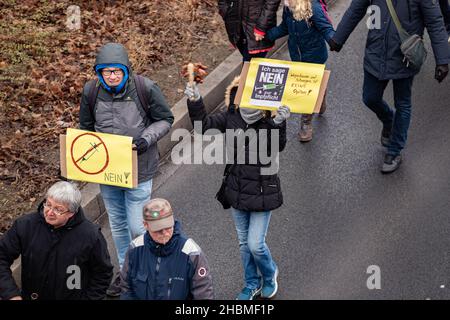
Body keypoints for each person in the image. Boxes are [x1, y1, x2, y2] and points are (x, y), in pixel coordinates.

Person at [79, 42, 174, 296]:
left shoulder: (145, 88)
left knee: (136, 225)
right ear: (99, 73)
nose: (112, 76)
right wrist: (79, 160)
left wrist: (146, 139)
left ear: (126, 71)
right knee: (118, 225)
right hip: (108, 172)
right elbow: (86, 130)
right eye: (106, 71)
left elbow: (165, 119)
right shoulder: (90, 92)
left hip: (138, 169)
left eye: (117, 71)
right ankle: (127, 273)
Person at [184, 77, 290, 300]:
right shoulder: (232, 116)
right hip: (236, 189)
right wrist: (195, 100)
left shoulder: (270, 119)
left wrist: (279, 123)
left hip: (263, 191)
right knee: (244, 244)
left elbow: (277, 146)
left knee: (256, 244)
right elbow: (203, 126)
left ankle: (269, 275)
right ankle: (252, 283)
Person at [329, 0, 449, 173]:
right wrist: (338, 38)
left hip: (405, 56)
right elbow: (356, 8)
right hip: (376, 51)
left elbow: (435, 22)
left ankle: (395, 151)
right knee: (370, 97)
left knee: (403, 103)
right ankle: (388, 120)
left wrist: (442, 60)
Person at [0, 181, 113, 300]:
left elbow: (102, 273)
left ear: (71, 213)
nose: (49, 212)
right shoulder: (25, 225)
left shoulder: (91, 235)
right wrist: (11, 294)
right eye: (48, 204)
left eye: (58, 209)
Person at [266, 0, 335, 142]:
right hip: (297, 56)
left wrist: (335, 41)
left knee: (308, 91)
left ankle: (306, 123)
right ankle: (320, 94)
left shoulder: (313, 8)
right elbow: (285, 28)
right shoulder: (288, 8)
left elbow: (327, 29)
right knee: (309, 89)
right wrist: (268, 35)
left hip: (315, 56)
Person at [120, 198, 214, 300]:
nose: (164, 233)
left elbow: (204, 293)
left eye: (168, 227)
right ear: (145, 225)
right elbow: (126, 288)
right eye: (158, 230)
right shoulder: (135, 249)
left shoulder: (191, 253)